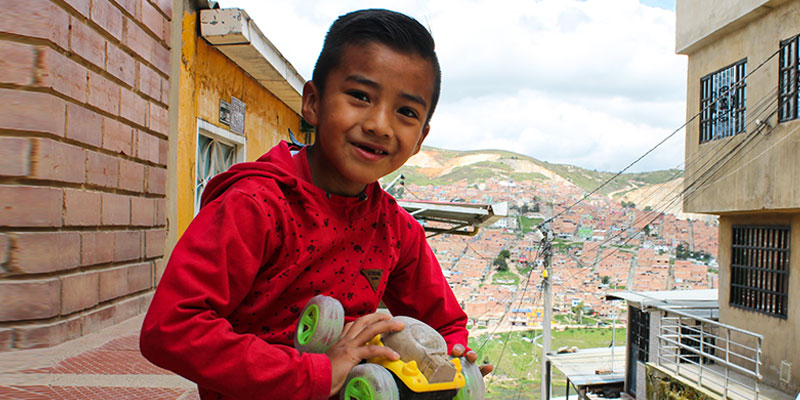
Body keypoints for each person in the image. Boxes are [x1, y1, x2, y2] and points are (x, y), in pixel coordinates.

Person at [140, 8, 491, 400]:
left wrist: (453, 358)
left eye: (406, 112)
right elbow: (171, 328)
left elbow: (446, 325)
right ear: (312, 102)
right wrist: (319, 372)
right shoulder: (256, 205)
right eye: (360, 96)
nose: (379, 124)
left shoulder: (396, 229)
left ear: (421, 137)